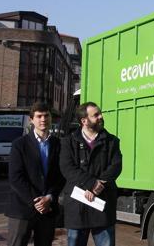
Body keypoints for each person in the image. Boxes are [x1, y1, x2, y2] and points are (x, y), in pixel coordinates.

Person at [60, 102, 122, 246]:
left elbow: (116, 166)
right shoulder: (68, 142)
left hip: (103, 204)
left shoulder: (112, 141)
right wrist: (91, 183)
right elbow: (67, 168)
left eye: (100, 113)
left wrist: (98, 185)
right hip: (77, 207)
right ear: (84, 121)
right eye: (96, 115)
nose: (101, 117)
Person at [6, 102, 65, 246]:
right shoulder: (19, 144)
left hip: (48, 209)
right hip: (22, 209)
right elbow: (15, 177)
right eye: (39, 116)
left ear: (51, 118)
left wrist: (49, 198)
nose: (43, 119)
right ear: (31, 120)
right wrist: (36, 201)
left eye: (46, 116)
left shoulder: (59, 144)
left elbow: (62, 175)